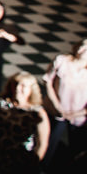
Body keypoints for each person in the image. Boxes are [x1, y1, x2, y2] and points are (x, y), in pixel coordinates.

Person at [0, 72, 50, 173]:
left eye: (23, 86)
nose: (17, 88)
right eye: (15, 84)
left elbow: (42, 144)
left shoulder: (37, 113)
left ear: (31, 89)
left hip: (20, 162)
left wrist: (33, 163)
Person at [43, 38, 87, 172]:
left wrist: (76, 114)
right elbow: (48, 82)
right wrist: (57, 107)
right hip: (57, 111)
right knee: (49, 144)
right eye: (81, 46)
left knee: (76, 148)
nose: (81, 50)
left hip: (79, 116)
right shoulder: (62, 60)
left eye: (85, 48)